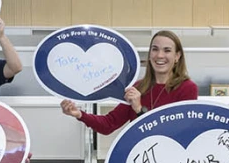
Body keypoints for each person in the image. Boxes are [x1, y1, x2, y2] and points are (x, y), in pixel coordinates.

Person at [61, 30, 199, 135]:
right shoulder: (138, 87)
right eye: (155, 49)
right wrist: (79, 114)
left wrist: (139, 110)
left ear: (177, 56)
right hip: (140, 160)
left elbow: (179, 132)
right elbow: (109, 124)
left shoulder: (187, 88)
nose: (159, 55)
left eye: (167, 50)